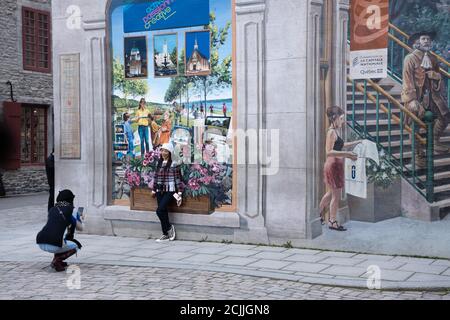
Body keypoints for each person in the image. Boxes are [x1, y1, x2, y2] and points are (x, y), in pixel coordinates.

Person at [402, 31, 449, 167]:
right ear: (417, 42)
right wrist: (412, 100)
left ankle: (434, 141)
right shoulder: (410, 59)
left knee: (445, 116)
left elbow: (438, 78)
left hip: (432, 96)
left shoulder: (433, 59)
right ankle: (417, 154)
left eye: (428, 39)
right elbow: (407, 81)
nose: (426, 41)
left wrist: (437, 77)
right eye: (423, 39)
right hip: (416, 97)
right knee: (414, 124)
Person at [318, 106, 361, 231]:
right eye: (341, 119)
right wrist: (347, 154)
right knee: (336, 196)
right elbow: (329, 152)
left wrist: (356, 142)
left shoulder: (336, 131)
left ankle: (319, 213)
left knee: (331, 193)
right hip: (332, 166)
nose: (343, 121)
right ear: (334, 118)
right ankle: (332, 221)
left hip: (335, 165)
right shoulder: (331, 132)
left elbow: (340, 145)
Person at [36, 190, 84, 271]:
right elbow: (80, 228)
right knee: (76, 245)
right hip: (53, 244)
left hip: (40, 241)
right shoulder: (71, 210)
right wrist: (80, 218)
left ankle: (57, 260)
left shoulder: (52, 209)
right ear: (70, 199)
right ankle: (57, 260)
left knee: (60, 238)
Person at [151, 143, 184, 242]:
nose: (163, 152)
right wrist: (153, 189)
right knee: (163, 211)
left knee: (159, 210)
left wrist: (180, 194)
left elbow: (178, 179)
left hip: (170, 190)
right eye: (162, 150)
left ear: (170, 152)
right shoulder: (159, 163)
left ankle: (169, 227)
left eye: (165, 151)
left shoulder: (174, 163)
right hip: (159, 190)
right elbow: (156, 178)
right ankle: (165, 234)